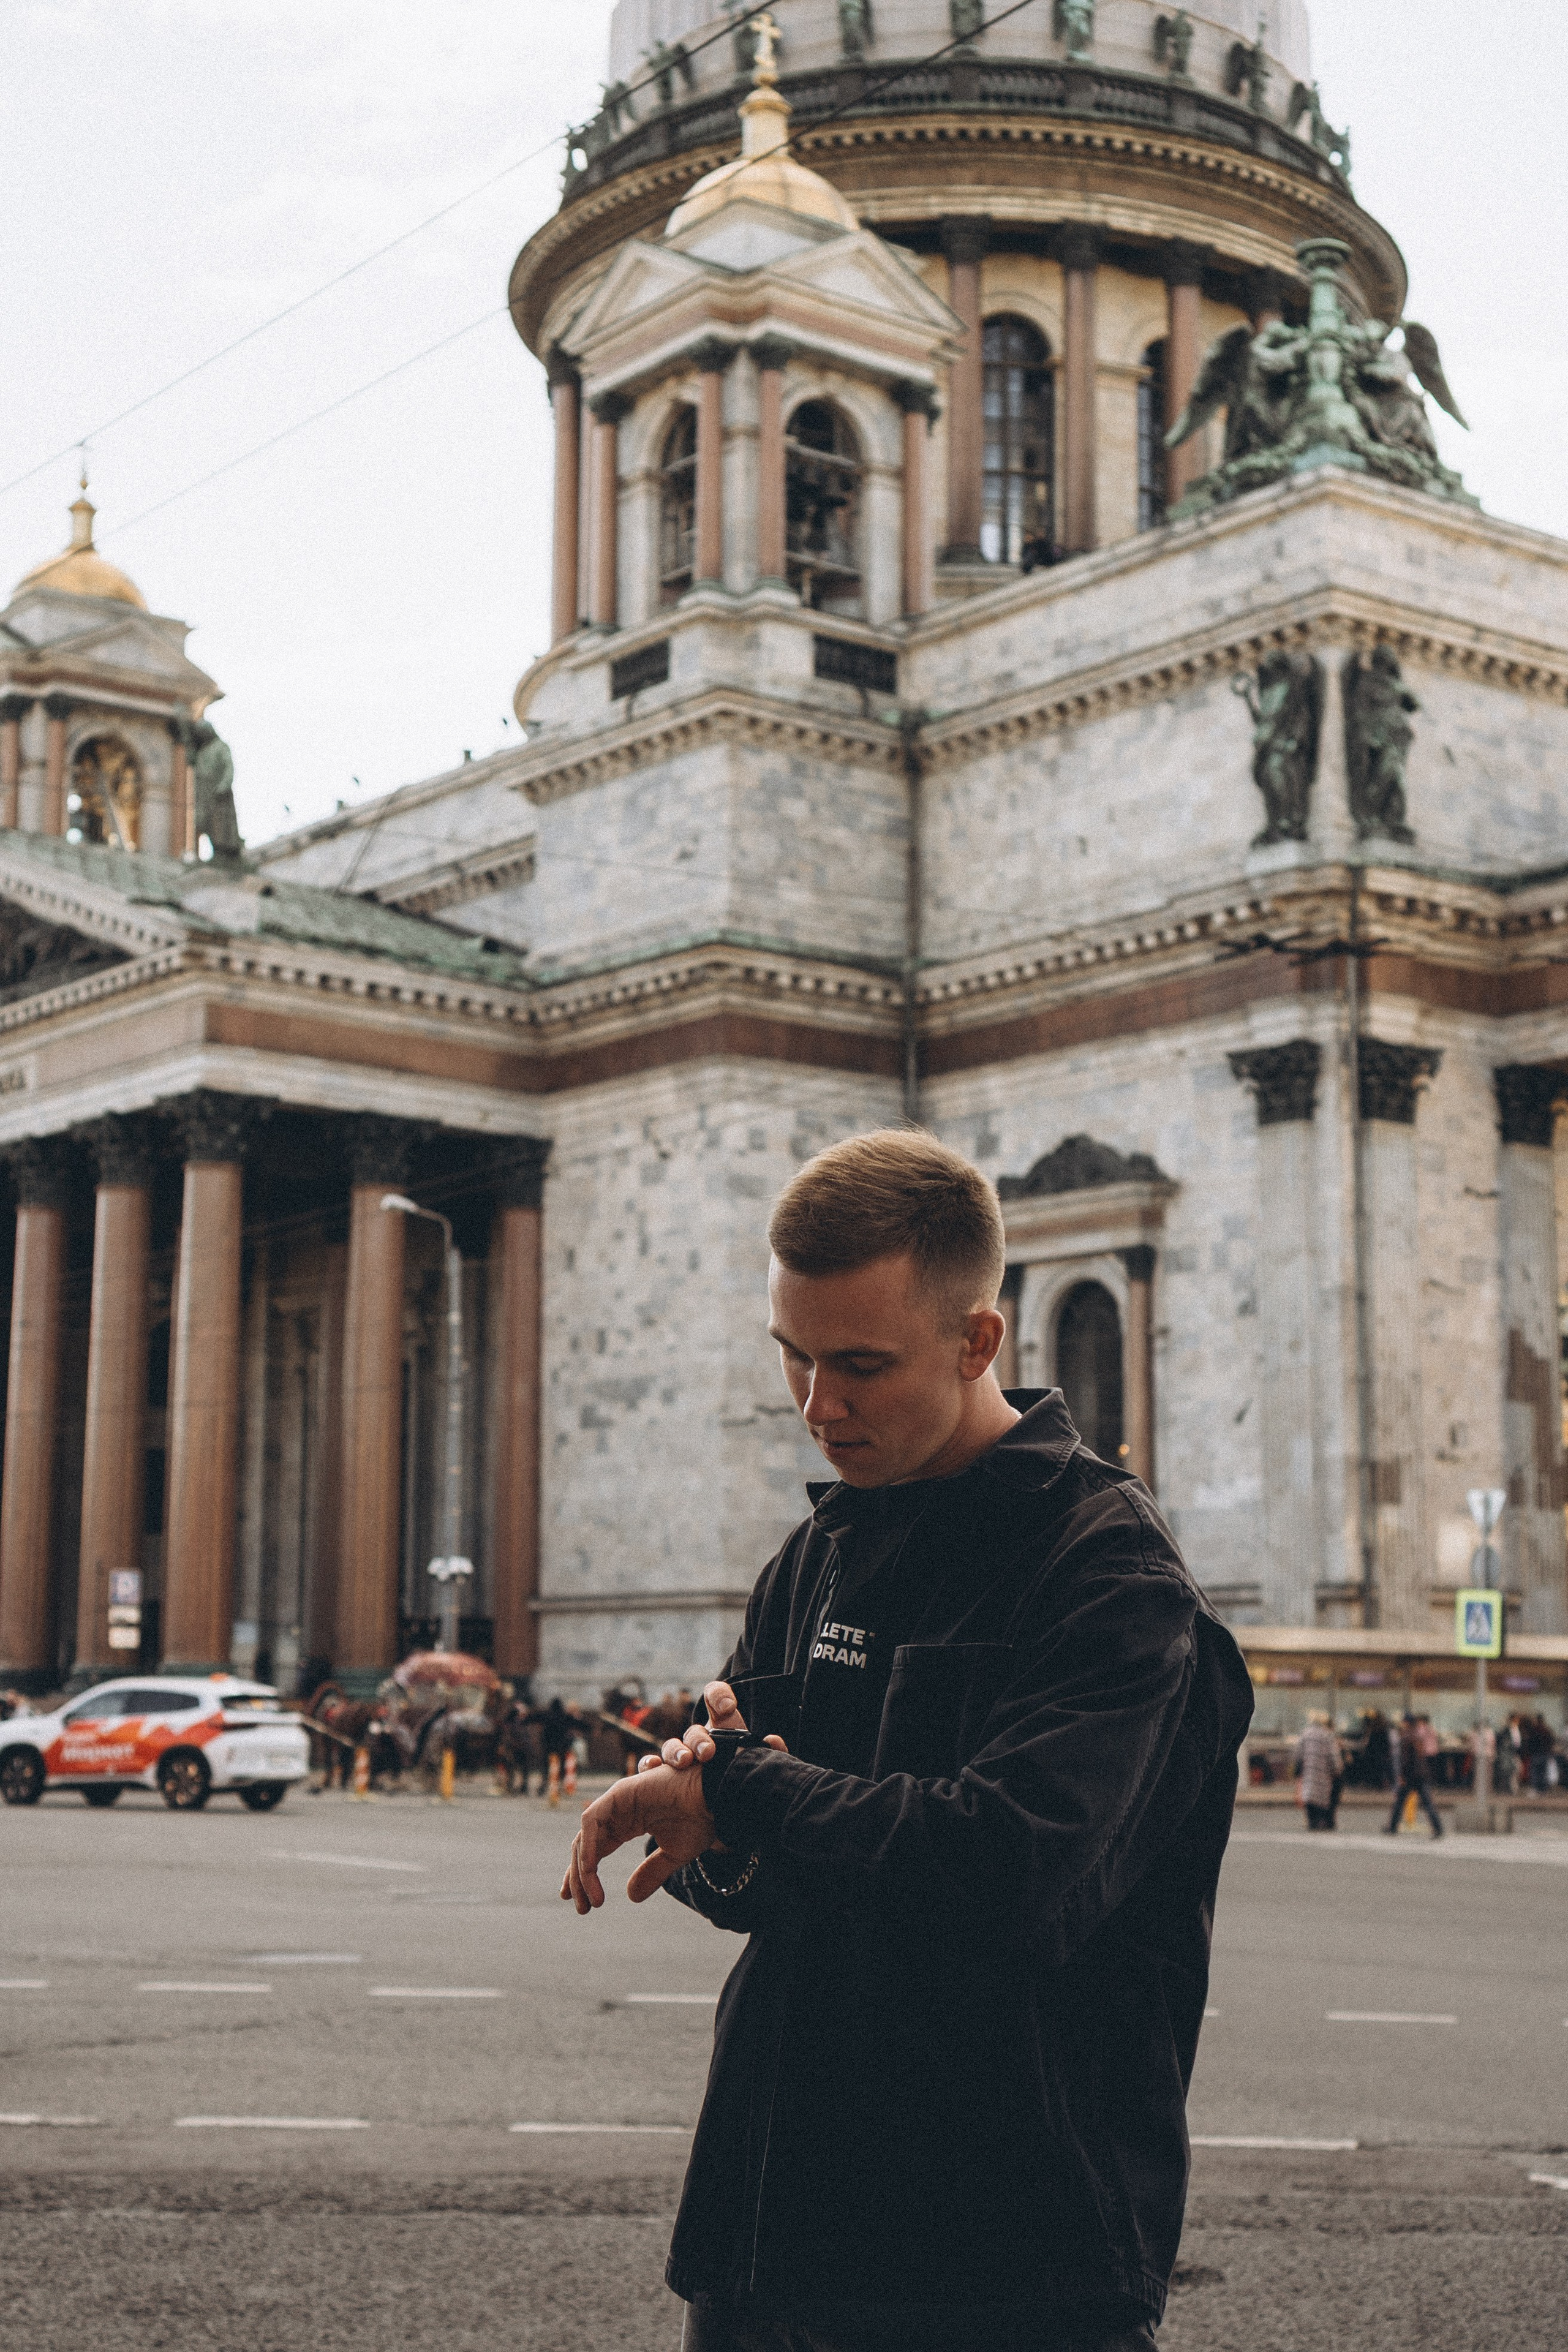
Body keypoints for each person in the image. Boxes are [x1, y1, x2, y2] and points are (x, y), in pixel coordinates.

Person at [562, 1130, 1255, 2352]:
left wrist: (751, 1792)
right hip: (768, 2233)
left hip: (997, 2261)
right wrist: (708, 1832)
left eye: (860, 1366)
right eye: (793, 1358)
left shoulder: (1108, 1580)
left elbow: (1006, 1873)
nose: (817, 1405)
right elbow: (773, 1876)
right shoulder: (817, 1550)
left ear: (977, 1340)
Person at [1384, 1711, 1442, 1838]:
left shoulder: (1407, 1737)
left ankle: (1393, 1827)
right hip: (1421, 1774)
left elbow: (1407, 1760)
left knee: (1400, 1801)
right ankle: (1438, 1828)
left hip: (1411, 1775)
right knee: (1427, 1803)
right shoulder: (1417, 1735)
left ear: (1407, 1723)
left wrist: (1402, 1776)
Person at [1297, 1710, 1343, 1830]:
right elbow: (1335, 1758)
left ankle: (1312, 1823)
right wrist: (1338, 1769)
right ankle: (1323, 1823)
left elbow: (1299, 1755)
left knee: (1310, 1798)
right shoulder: (1327, 1735)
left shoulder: (1305, 1734)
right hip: (1324, 1775)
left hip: (1309, 1773)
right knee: (1322, 1799)